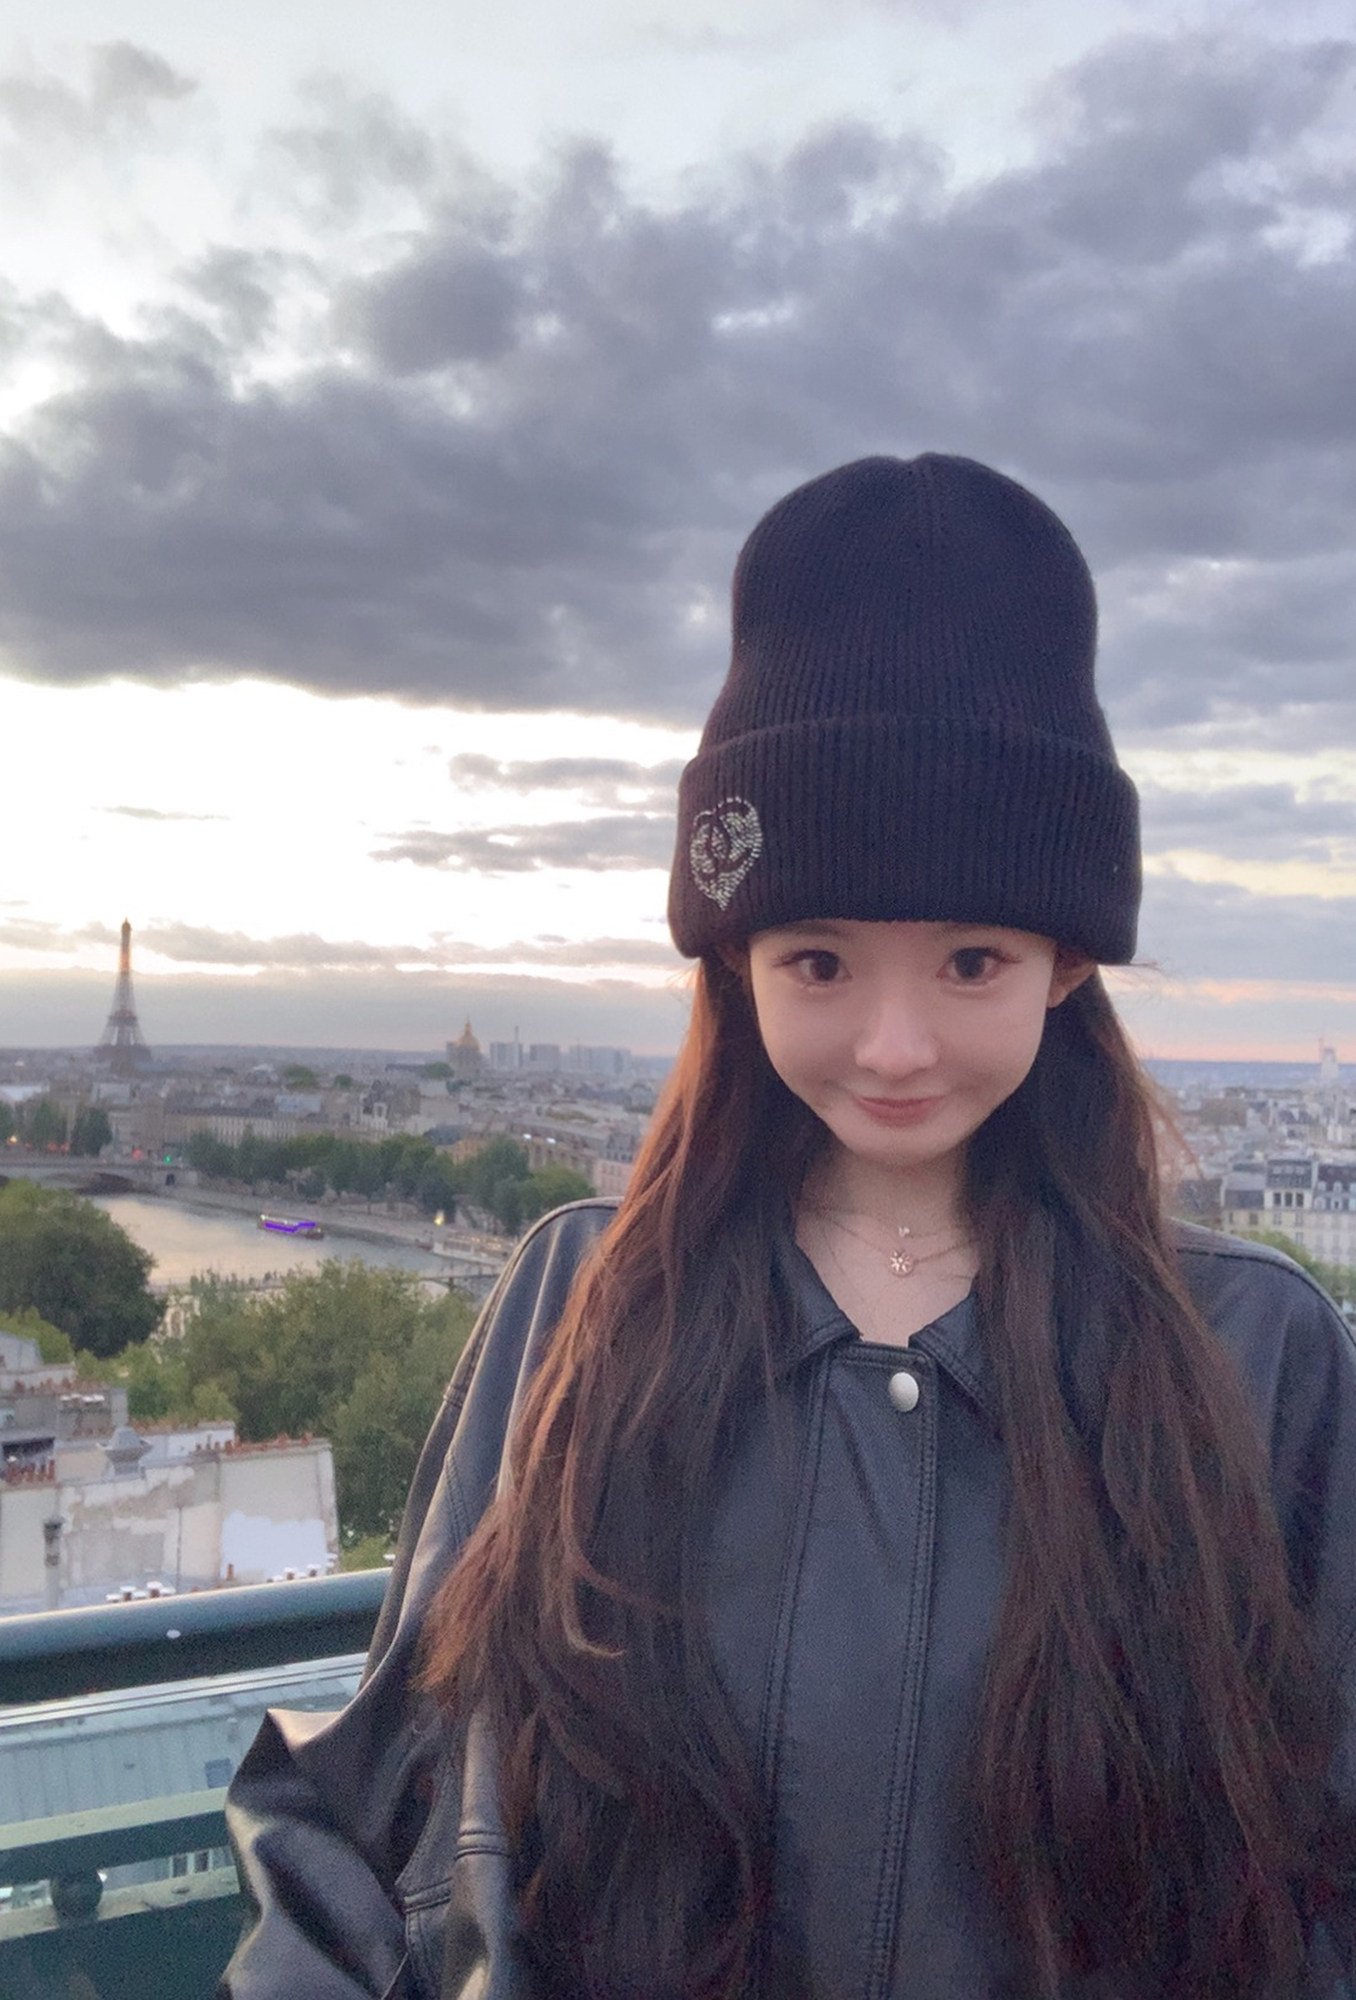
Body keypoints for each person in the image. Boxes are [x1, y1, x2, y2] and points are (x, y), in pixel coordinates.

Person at [220, 455, 1356, 1999]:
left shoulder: (1263, 1351)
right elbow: (395, 1809)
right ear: (735, 964)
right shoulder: (577, 1295)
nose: (895, 1045)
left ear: (1070, 964)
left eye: (971, 960)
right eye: (819, 962)